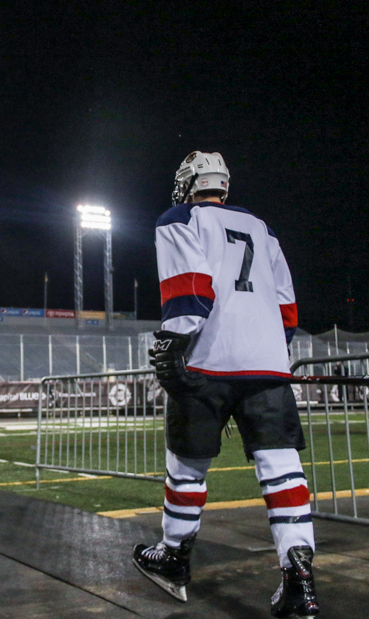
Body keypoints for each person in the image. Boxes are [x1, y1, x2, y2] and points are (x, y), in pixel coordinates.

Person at [135, 151, 318, 617]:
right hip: (267, 363)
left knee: (188, 465)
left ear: (188, 183)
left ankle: (174, 557)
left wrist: (174, 344)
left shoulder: (180, 217)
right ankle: (299, 576)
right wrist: (270, 349)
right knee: (281, 468)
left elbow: (189, 287)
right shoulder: (263, 227)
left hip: (208, 361)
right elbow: (286, 306)